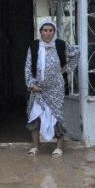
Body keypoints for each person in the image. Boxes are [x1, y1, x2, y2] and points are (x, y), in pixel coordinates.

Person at [24, 20, 79, 157]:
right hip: (38, 88)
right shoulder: (34, 46)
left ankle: (59, 147)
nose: (48, 33)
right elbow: (28, 67)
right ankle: (36, 146)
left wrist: (65, 69)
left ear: (54, 32)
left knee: (57, 115)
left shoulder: (60, 45)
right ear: (40, 32)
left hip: (55, 88)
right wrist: (31, 84)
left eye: (51, 30)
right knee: (34, 116)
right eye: (45, 30)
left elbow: (76, 53)